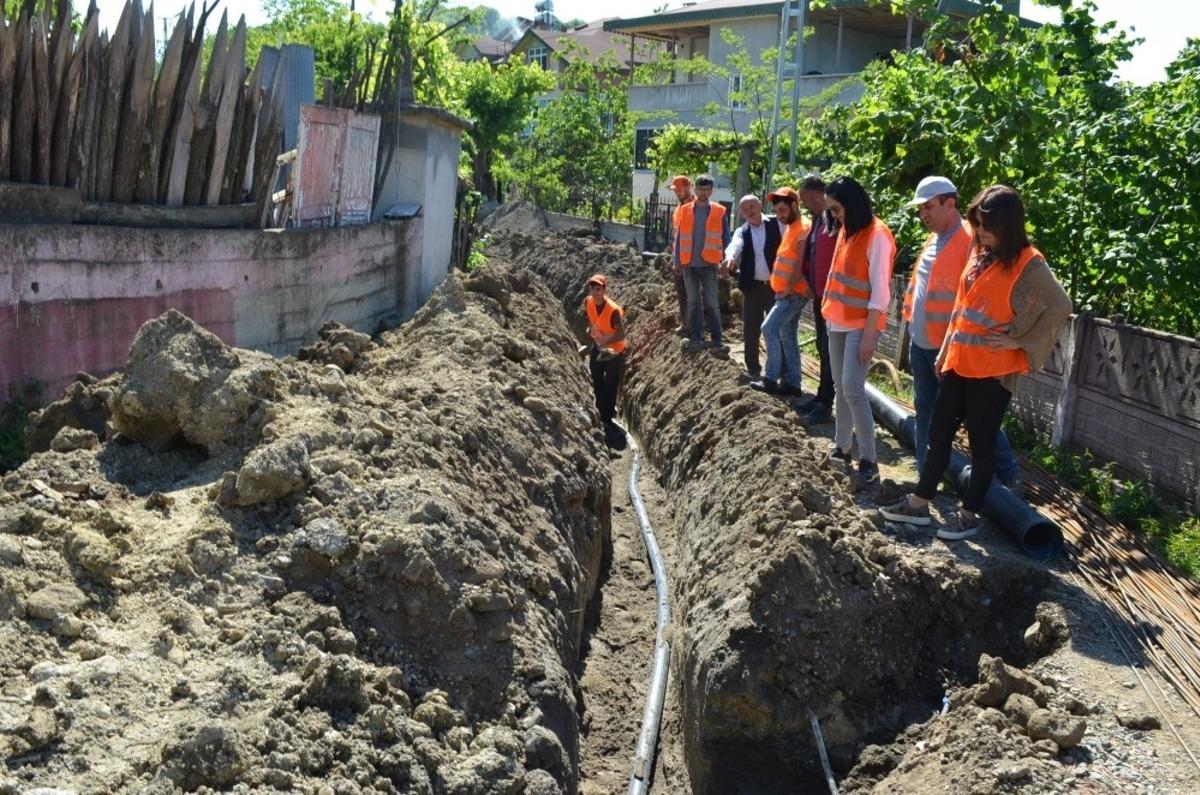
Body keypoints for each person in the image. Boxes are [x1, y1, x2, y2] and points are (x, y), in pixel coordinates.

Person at [881, 185, 1071, 539]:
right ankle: (920, 504)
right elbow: (961, 306)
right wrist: (946, 348)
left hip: (993, 370)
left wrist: (1020, 340)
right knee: (939, 434)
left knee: (981, 446)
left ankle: (967, 515)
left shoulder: (1028, 261)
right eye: (978, 225)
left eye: (987, 227)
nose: (980, 233)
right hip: (960, 362)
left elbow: (1060, 306)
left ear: (1009, 225)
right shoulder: (982, 253)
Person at [902, 176, 1021, 489]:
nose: (922, 214)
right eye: (920, 209)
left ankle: (1008, 476)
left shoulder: (973, 240)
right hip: (923, 343)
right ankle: (927, 475)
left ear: (949, 203)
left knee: (976, 416)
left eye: (928, 206)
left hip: (955, 349)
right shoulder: (933, 239)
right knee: (927, 413)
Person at [821, 176, 894, 491]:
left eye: (837, 209)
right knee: (841, 387)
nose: (834, 215)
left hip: (859, 326)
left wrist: (868, 335)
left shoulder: (877, 235)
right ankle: (842, 447)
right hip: (837, 321)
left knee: (853, 388)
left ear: (852, 204)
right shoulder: (848, 231)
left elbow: (880, 291)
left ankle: (869, 461)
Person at [749, 187, 811, 396]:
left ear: (795, 205)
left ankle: (771, 378)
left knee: (768, 328)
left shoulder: (803, 228)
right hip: (787, 291)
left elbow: (800, 264)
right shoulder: (792, 227)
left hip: (793, 293)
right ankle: (793, 383)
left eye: (782, 210)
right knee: (787, 335)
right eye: (776, 211)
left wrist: (788, 289)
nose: (779, 215)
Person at [721, 194, 783, 379]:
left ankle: (779, 370)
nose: (749, 212)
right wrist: (730, 257)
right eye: (745, 209)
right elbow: (735, 245)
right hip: (753, 287)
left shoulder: (776, 224)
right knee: (750, 329)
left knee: (777, 329)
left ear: (760, 205)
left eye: (751, 207)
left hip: (775, 286)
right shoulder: (743, 231)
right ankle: (753, 368)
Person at [796, 175, 839, 425]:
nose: (804, 205)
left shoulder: (834, 220)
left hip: (833, 298)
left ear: (815, 196)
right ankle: (821, 397)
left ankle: (826, 403)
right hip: (820, 295)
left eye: (805, 200)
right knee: (823, 349)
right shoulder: (819, 220)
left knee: (829, 350)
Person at [674, 175, 730, 356]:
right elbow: (678, 238)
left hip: (709, 264)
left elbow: (726, 239)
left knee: (711, 302)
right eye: (700, 189)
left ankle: (717, 339)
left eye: (707, 190)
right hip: (689, 263)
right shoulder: (684, 210)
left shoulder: (720, 212)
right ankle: (696, 336)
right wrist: (677, 261)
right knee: (693, 302)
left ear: (711, 191)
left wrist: (726, 262)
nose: (703, 193)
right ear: (695, 189)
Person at [583, 274, 628, 445]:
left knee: (610, 384)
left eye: (599, 289)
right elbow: (590, 319)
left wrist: (606, 342)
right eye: (593, 289)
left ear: (604, 290)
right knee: (596, 379)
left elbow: (622, 333)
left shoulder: (613, 310)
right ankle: (601, 413)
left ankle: (607, 418)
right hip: (598, 347)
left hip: (614, 351)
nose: (596, 293)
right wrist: (591, 332)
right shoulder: (588, 302)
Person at [669, 176, 694, 336]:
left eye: (679, 189)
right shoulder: (678, 209)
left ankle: (694, 326)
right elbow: (677, 235)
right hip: (679, 258)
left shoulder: (696, 206)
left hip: (692, 259)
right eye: (675, 190)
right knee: (681, 291)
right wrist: (674, 257)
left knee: (692, 294)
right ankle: (685, 324)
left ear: (688, 187)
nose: (677, 192)